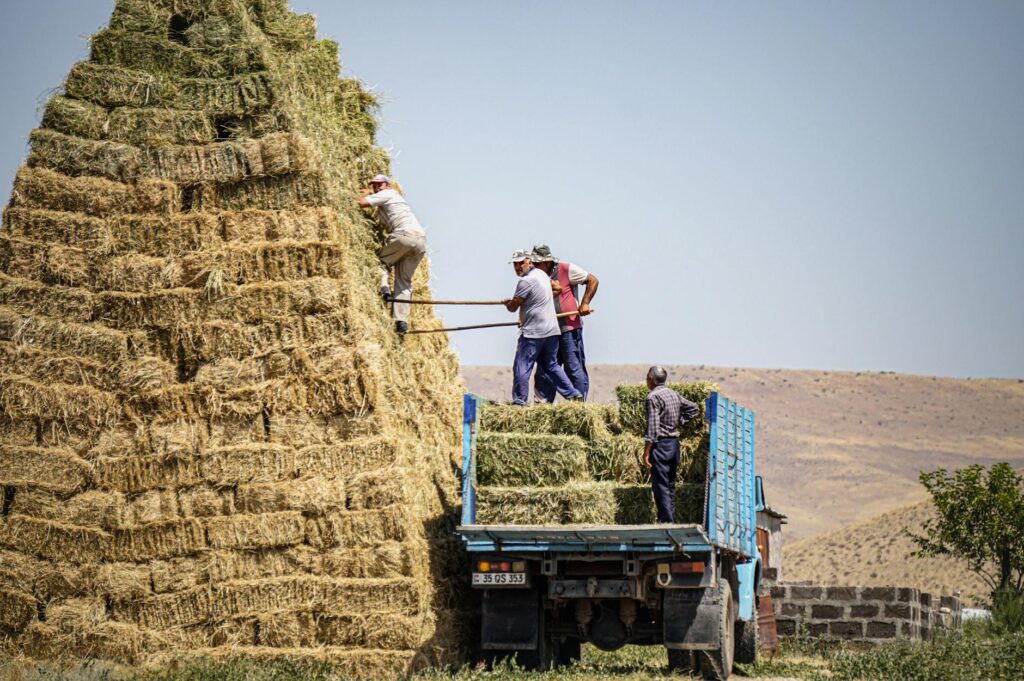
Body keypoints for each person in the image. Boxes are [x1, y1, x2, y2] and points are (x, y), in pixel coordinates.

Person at [502, 250, 583, 406]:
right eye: (515, 264)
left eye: (521, 262)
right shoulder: (543, 275)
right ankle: (573, 395)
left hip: (533, 333)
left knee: (522, 367)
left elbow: (513, 307)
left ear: (529, 261)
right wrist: (537, 299)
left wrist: (508, 303)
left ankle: (519, 403)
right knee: (551, 365)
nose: (518, 266)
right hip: (552, 331)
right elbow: (557, 288)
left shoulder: (525, 282)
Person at [357, 174, 426, 334]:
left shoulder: (387, 194)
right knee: (404, 281)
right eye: (374, 185)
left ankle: (384, 288)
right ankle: (401, 321)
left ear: (388, 185)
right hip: (420, 241)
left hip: (403, 236)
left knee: (380, 261)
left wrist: (348, 195)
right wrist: (370, 192)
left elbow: (362, 203)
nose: (376, 188)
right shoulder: (394, 197)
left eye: (379, 185)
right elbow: (374, 196)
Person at [529, 244, 599, 402]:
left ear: (547, 262)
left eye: (537, 263)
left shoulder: (567, 269)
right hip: (547, 331)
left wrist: (585, 303)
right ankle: (543, 406)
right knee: (545, 368)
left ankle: (577, 406)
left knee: (573, 367)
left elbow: (592, 280)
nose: (534, 267)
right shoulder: (534, 277)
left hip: (569, 328)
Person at [643, 366, 699, 523]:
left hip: (660, 446)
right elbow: (693, 408)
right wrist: (681, 423)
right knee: (670, 485)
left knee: (660, 486)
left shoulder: (652, 398)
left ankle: (666, 522)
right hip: (674, 445)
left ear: (652, 379)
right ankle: (671, 520)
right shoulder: (673, 394)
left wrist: (646, 452)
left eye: (647, 377)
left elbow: (653, 429)